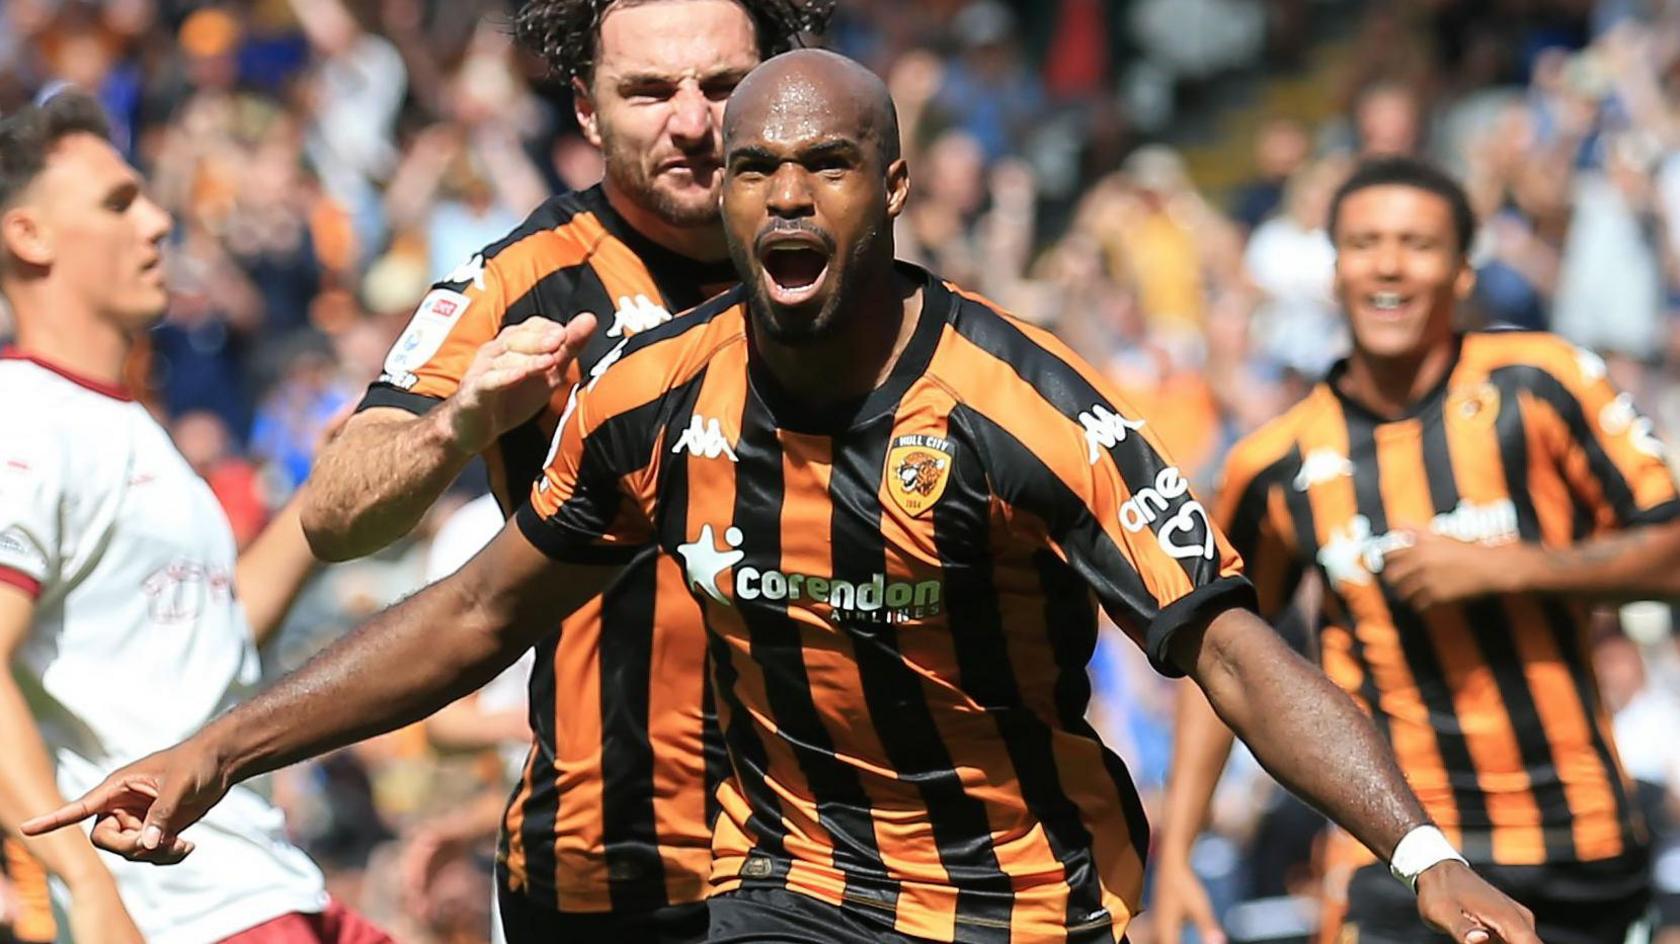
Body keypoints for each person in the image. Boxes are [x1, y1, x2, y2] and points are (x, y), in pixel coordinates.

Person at [30, 52, 1539, 944]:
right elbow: (480, 611)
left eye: (826, 163)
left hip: (1023, 903)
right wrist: (222, 748)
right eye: (757, 168)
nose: (787, 194)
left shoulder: (1029, 410)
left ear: (892, 189)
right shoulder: (651, 396)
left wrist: (1426, 855)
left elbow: (1226, 643)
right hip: (788, 890)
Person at [296, 0, 831, 940]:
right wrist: (456, 424)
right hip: (614, 874)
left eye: (722, 86)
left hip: (847, 858)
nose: (694, 122)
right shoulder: (522, 280)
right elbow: (335, 512)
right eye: (650, 91)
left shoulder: (843, 268)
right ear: (585, 109)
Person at [1150, 156, 1677, 944]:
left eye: (1417, 243)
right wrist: (1182, 853)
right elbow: (1222, 655)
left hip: (1584, 845)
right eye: (1365, 243)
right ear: (1335, 269)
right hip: (1393, 852)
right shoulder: (1276, 464)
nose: (1388, 264)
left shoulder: (1544, 382)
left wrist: (1511, 567)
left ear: (1463, 272)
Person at [0, 92, 389, 943]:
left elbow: (217, 634)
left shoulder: (128, 424)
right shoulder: (20, 415)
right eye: (117, 203)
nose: (157, 222)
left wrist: (318, 496)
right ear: (27, 236)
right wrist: (87, 888)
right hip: (178, 910)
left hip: (266, 880)